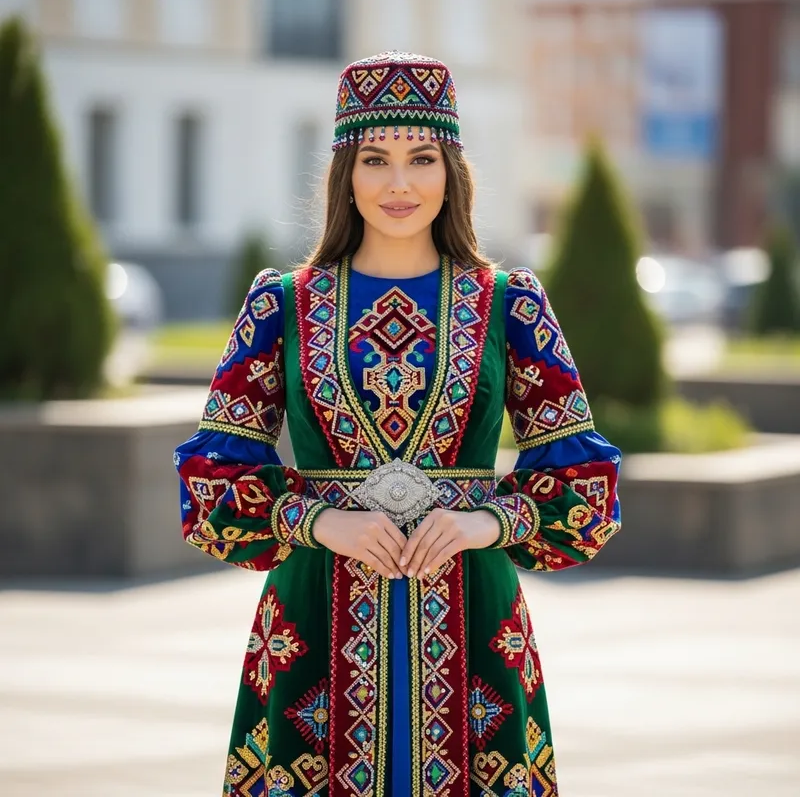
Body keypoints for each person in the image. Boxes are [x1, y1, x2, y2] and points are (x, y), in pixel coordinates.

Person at [174, 51, 622, 797]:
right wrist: (317, 521)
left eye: (422, 158)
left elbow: (585, 484)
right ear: (345, 174)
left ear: (452, 171)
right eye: (375, 160)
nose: (400, 184)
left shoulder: (510, 304)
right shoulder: (281, 304)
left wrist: (487, 522)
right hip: (314, 611)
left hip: (474, 613)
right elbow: (211, 481)